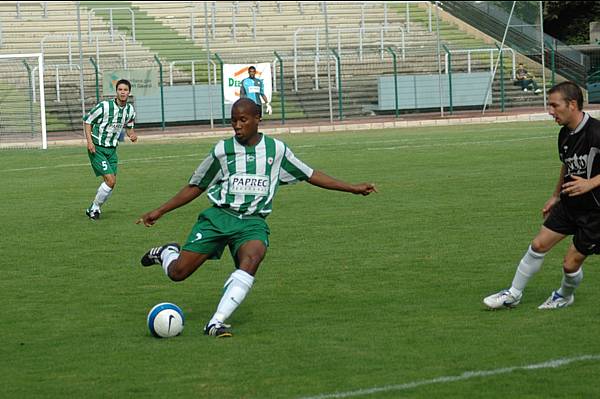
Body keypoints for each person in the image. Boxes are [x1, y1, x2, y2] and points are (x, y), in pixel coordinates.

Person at [136, 98, 377, 337]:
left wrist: (352, 188)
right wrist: (160, 211)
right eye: (233, 121)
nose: (237, 126)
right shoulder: (222, 150)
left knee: (253, 257)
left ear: (257, 119)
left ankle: (216, 322)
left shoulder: (276, 150)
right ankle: (167, 252)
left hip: (252, 222)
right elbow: (196, 186)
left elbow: (310, 174)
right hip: (219, 217)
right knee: (179, 273)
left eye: (243, 120)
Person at [484, 81, 600, 310]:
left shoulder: (596, 132)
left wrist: (591, 183)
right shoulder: (564, 135)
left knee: (569, 265)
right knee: (538, 245)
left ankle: (564, 296)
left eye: (555, 106)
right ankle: (513, 294)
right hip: (569, 205)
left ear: (572, 104)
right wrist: (555, 195)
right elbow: (566, 166)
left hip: (595, 212)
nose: (550, 111)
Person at [84, 79, 137, 220]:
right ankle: (94, 208)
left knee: (111, 183)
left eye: (125, 90)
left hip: (112, 150)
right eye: (120, 89)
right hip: (98, 148)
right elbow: (87, 121)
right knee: (110, 181)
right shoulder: (105, 106)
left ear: (129, 92)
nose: (123, 92)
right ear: (116, 91)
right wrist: (90, 142)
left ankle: (94, 208)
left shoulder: (130, 110)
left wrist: (131, 135)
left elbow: (129, 126)